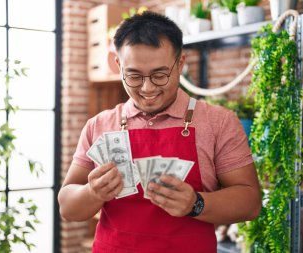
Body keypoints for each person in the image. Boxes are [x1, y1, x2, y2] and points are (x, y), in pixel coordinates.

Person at [58, 11, 262, 253]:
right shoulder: (99, 126)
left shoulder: (218, 122)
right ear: (118, 66)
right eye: (133, 75)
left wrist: (196, 203)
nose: (147, 88)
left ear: (180, 63)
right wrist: (92, 193)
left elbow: (250, 203)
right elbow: (68, 208)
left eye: (159, 75)